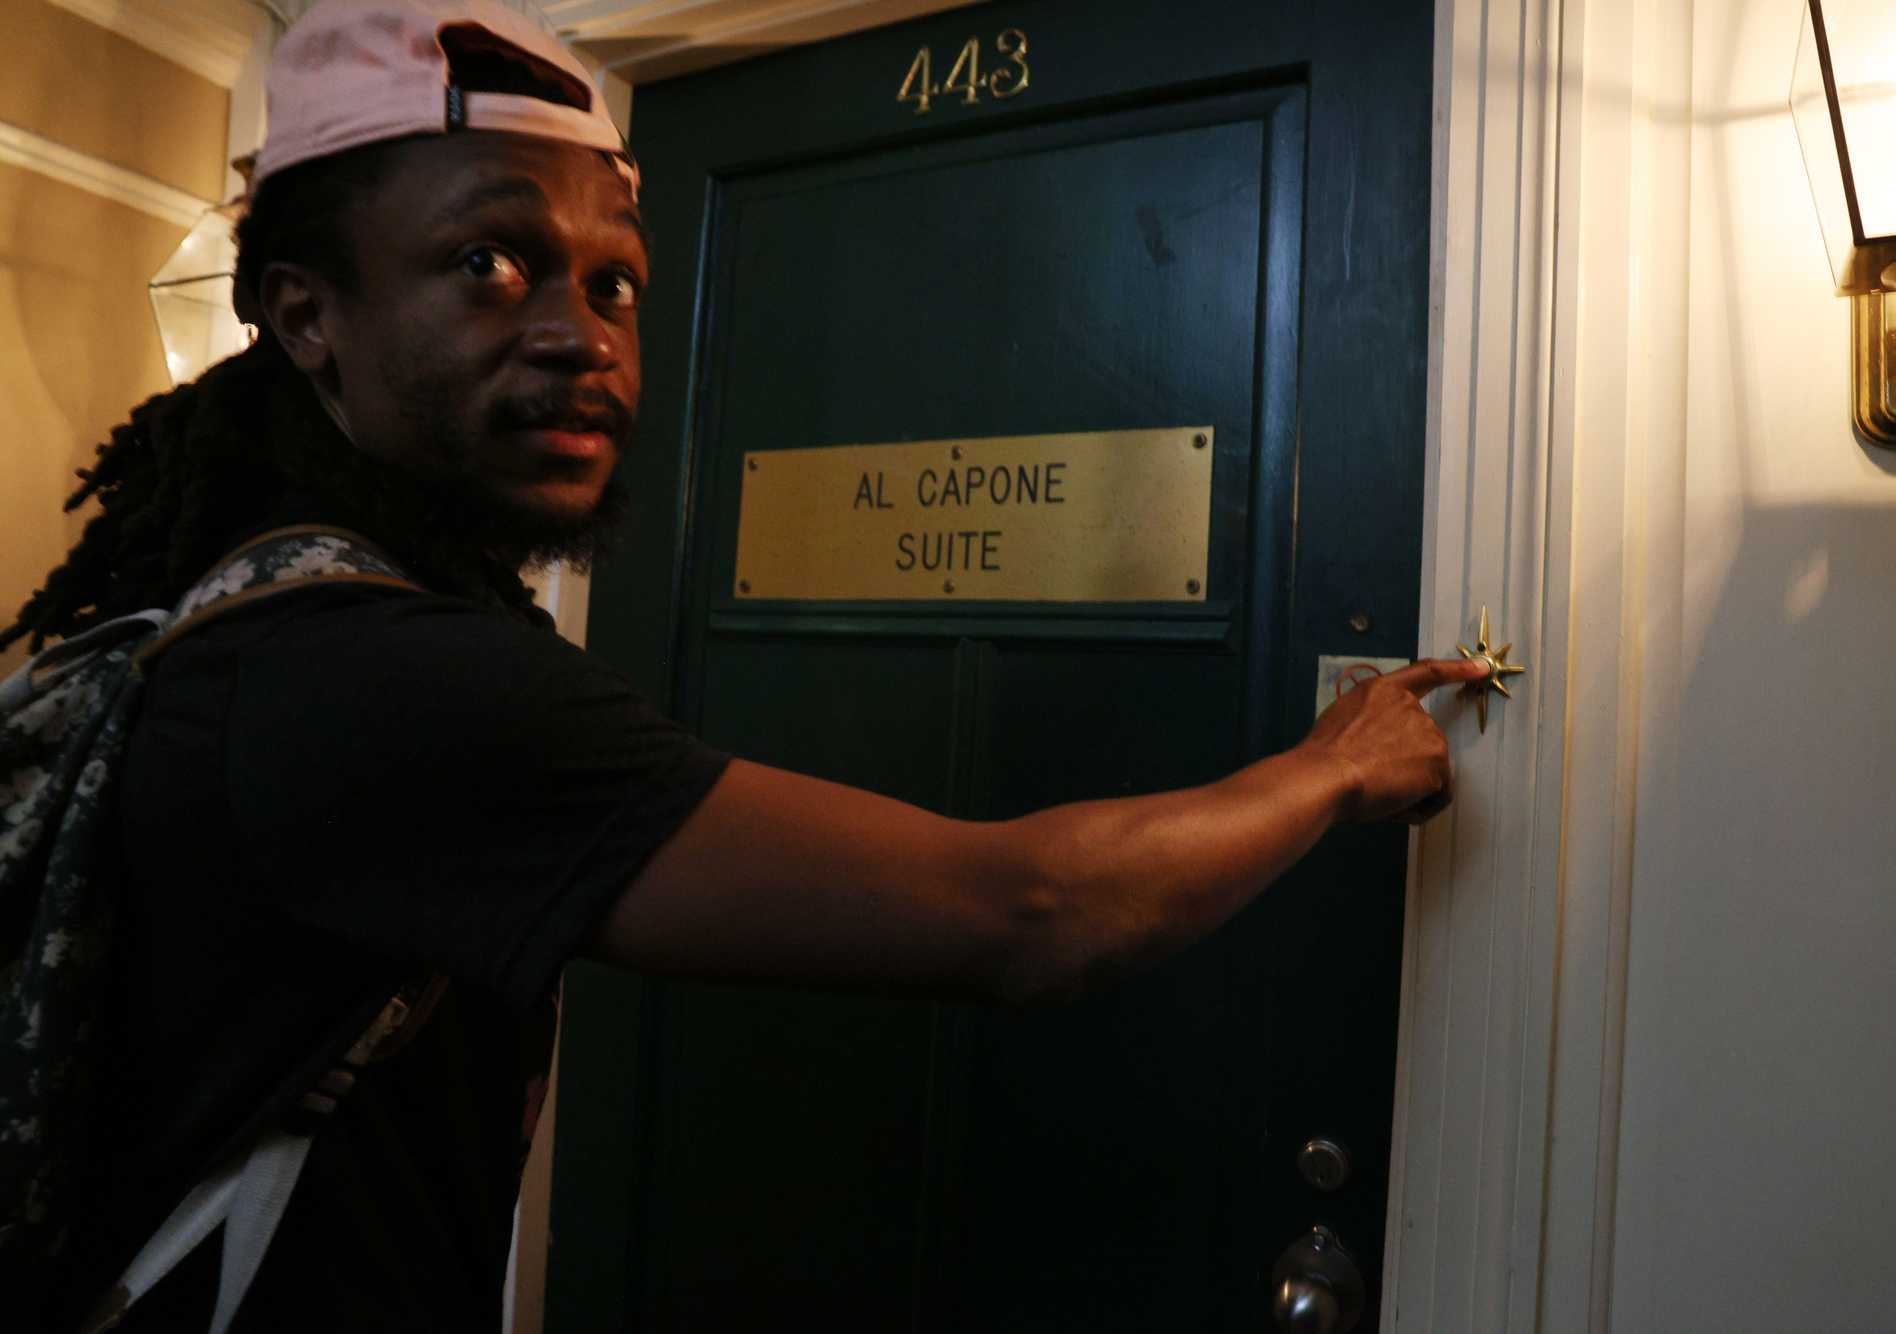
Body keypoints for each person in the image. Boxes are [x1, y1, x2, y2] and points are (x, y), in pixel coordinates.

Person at [6, 1, 1487, 1328]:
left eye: (615, 284)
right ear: (305, 315)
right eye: (486, 261)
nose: (578, 336)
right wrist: (1334, 767)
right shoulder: (376, 684)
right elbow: (1028, 911)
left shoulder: (248, 623)